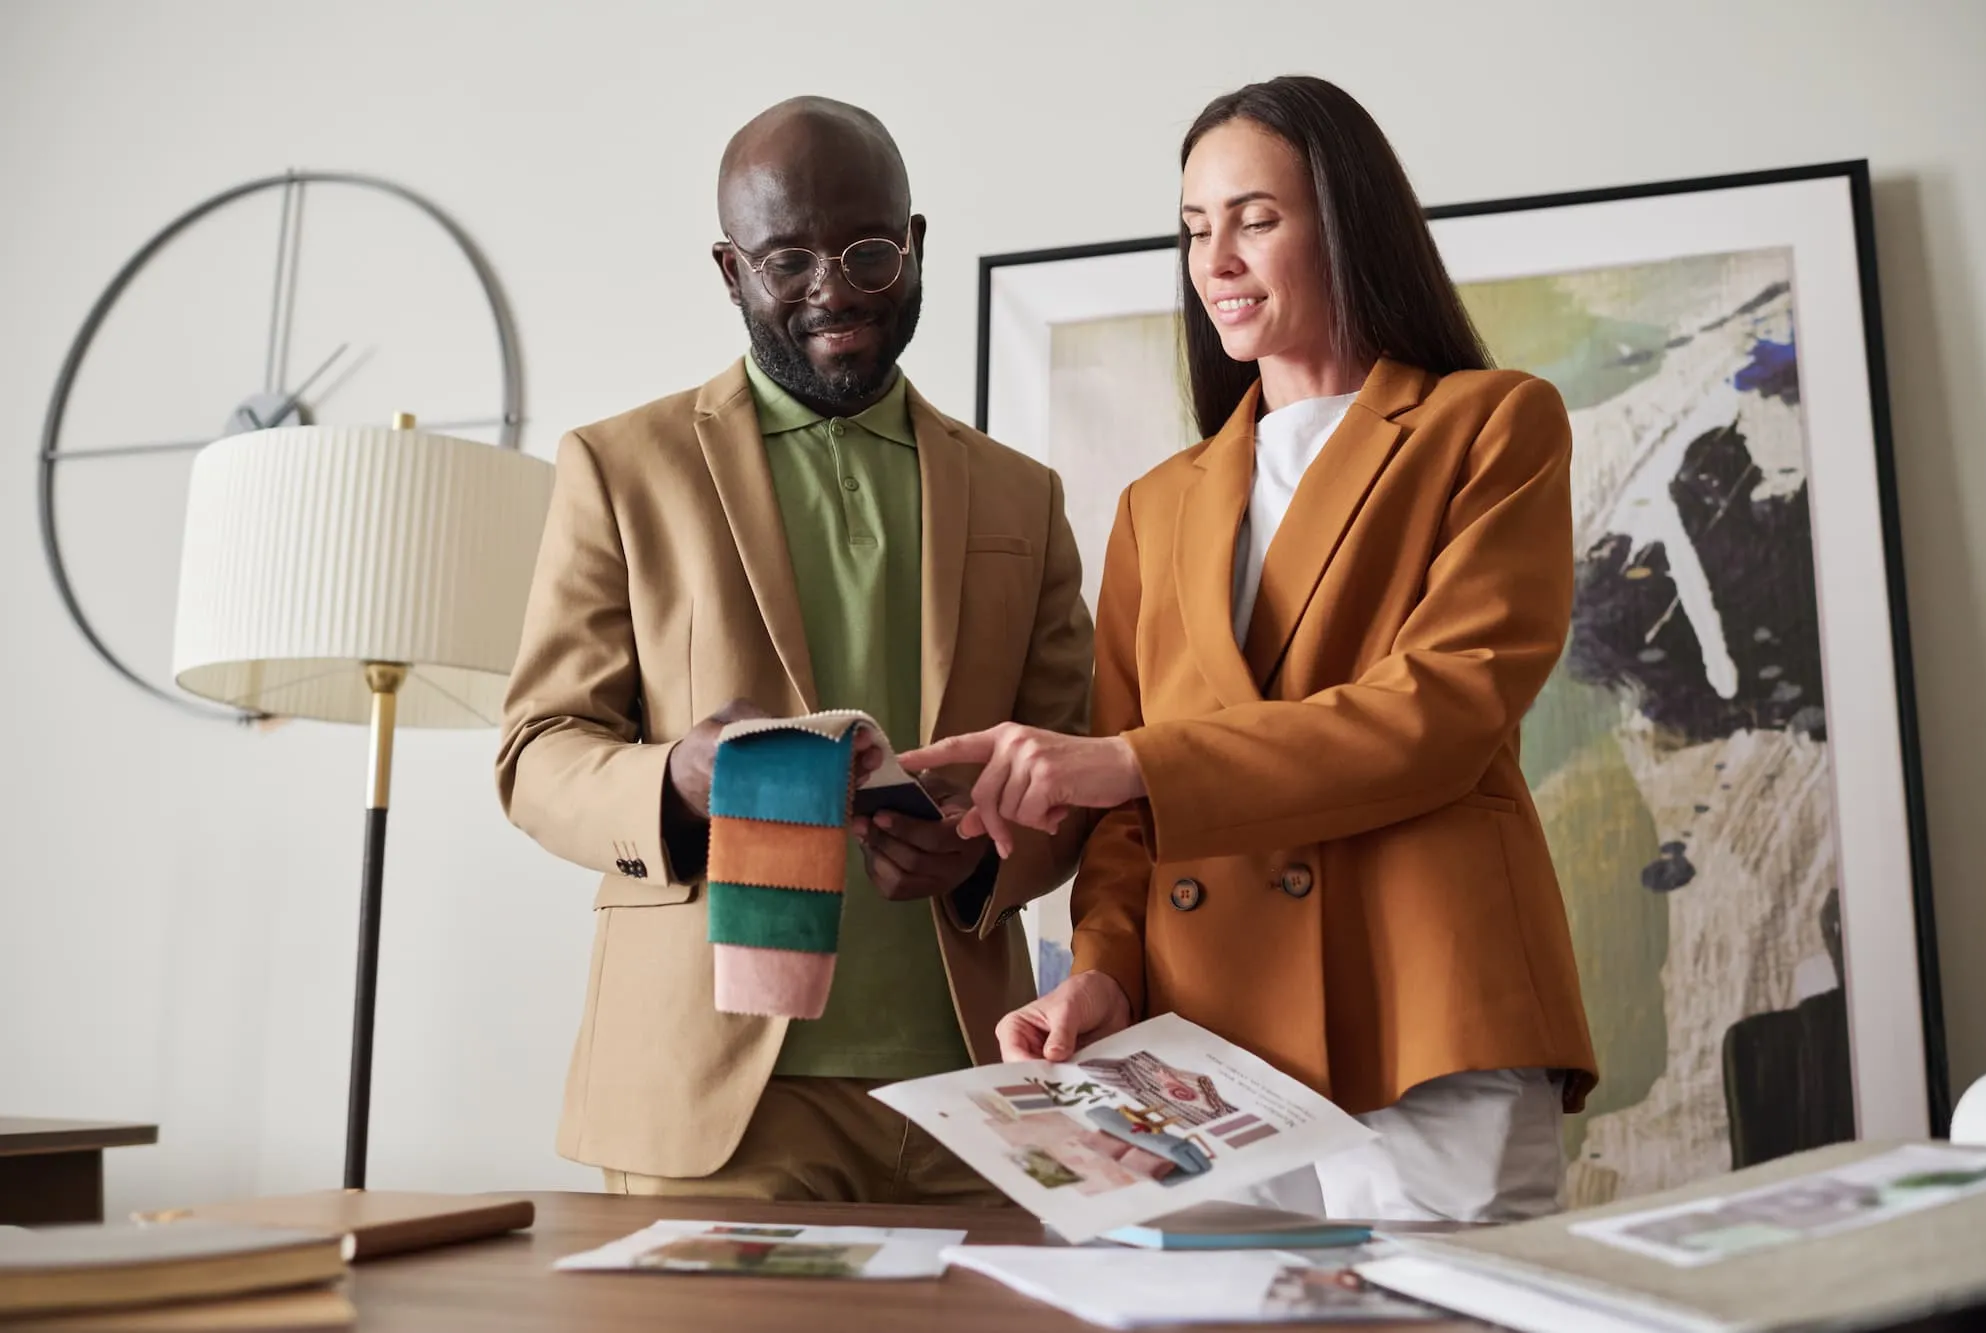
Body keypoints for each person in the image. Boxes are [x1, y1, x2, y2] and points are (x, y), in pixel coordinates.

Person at [902, 76, 1598, 1222]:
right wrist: (1100, 974)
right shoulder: (1155, 505)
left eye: (1255, 219)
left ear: (1347, 220)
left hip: (1424, 1009)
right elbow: (1124, 830)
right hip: (1205, 1051)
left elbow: (1434, 715)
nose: (1215, 258)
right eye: (1193, 228)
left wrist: (1133, 760)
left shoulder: (1491, 425)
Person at [496, 96, 1093, 1204]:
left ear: (915, 246)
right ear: (730, 270)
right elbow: (535, 754)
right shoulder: (619, 468)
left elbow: (1074, 767)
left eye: (869, 252)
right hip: (715, 1100)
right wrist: (673, 776)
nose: (835, 290)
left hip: (975, 1088)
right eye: (787, 259)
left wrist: (983, 859)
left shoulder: (1024, 493)